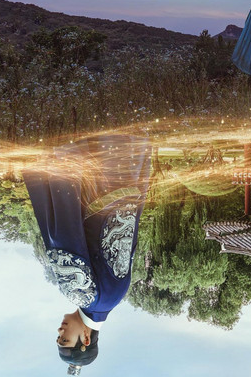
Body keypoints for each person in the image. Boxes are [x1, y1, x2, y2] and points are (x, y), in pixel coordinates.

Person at [23, 134, 151, 375]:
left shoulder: (114, 298)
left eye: (58, 339)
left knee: (120, 129)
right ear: (86, 339)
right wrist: (50, 176)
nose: (60, 333)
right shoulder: (82, 295)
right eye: (64, 340)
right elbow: (61, 236)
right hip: (92, 187)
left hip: (121, 186)